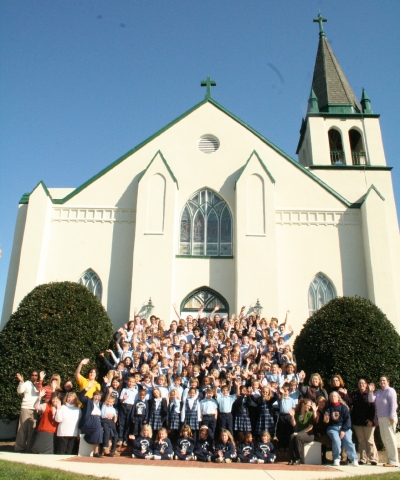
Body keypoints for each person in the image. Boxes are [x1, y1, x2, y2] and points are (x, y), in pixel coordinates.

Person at [368, 376, 398, 467]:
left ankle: (394, 461)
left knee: (390, 439)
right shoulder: (378, 392)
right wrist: (370, 391)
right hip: (381, 418)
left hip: (389, 418)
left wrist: (392, 416)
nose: (382, 382)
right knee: (385, 440)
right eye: (380, 380)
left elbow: (393, 404)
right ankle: (390, 460)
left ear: (388, 382)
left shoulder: (391, 391)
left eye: (384, 380)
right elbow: (371, 399)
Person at [324, 391, 359, 467]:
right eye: (332, 396)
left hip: (344, 428)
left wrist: (343, 430)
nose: (333, 398)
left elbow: (347, 421)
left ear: (338, 398)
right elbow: (326, 422)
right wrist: (326, 419)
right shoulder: (328, 408)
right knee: (336, 441)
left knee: (348, 441)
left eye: (335, 396)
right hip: (332, 428)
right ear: (330, 398)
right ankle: (336, 459)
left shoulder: (343, 408)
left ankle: (354, 459)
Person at [350, 379, 378, 465]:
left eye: (363, 383)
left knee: (369, 440)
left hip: (368, 422)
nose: (361, 384)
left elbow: (373, 408)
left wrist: (371, 420)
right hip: (358, 422)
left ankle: (373, 458)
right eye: (359, 383)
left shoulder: (370, 394)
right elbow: (349, 403)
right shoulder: (355, 395)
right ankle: (363, 458)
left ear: (366, 385)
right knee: (361, 441)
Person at [14, 370, 42, 453]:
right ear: (30, 376)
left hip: (35, 409)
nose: (34, 376)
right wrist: (21, 381)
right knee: (22, 428)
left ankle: (29, 448)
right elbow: (20, 391)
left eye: (36, 375)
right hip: (26, 408)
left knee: (32, 430)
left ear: (38, 376)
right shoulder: (26, 383)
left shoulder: (39, 384)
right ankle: (19, 448)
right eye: (32, 375)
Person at [78, 382, 104, 458]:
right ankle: (95, 451)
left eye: (99, 397)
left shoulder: (101, 404)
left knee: (103, 429)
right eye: (96, 396)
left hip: (98, 421)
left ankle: (99, 450)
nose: (97, 398)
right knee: (99, 429)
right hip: (89, 421)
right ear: (93, 396)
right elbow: (80, 396)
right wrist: (87, 388)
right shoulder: (88, 402)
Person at [287, 398, 314, 465]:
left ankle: (298, 458)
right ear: (303, 404)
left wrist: (299, 433)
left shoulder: (310, 414)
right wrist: (292, 417)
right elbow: (294, 425)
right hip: (298, 434)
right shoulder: (297, 413)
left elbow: (310, 427)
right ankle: (292, 458)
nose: (309, 407)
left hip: (309, 434)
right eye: (308, 405)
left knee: (297, 436)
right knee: (291, 437)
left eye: (310, 406)